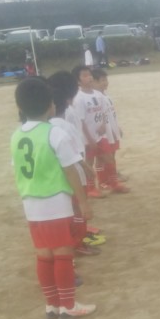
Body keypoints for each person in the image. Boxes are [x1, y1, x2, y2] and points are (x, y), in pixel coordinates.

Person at [11, 78, 96, 319]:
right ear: (51, 105)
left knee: (44, 255)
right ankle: (68, 305)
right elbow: (70, 171)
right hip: (55, 201)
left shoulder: (16, 135)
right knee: (62, 254)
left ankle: (52, 305)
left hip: (31, 204)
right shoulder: (54, 132)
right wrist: (83, 203)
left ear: (20, 106)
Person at [47, 71, 104, 256]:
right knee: (78, 208)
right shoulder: (67, 118)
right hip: (74, 168)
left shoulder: (51, 122)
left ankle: (75, 239)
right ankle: (77, 243)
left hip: (63, 171)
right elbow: (73, 149)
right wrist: (86, 167)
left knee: (71, 208)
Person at [91, 68, 129, 194]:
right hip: (105, 133)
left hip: (112, 131)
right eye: (101, 80)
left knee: (111, 156)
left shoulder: (106, 96)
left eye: (105, 80)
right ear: (93, 82)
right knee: (101, 158)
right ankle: (103, 181)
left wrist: (116, 127)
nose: (105, 82)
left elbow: (111, 115)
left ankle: (111, 177)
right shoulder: (97, 98)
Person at [72, 65, 107, 198]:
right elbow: (81, 121)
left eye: (90, 74)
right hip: (87, 138)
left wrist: (103, 124)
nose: (89, 77)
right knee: (89, 161)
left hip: (100, 135)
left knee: (104, 158)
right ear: (78, 81)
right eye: (85, 76)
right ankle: (91, 188)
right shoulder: (79, 98)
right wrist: (89, 139)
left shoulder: (98, 94)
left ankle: (103, 182)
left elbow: (103, 111)